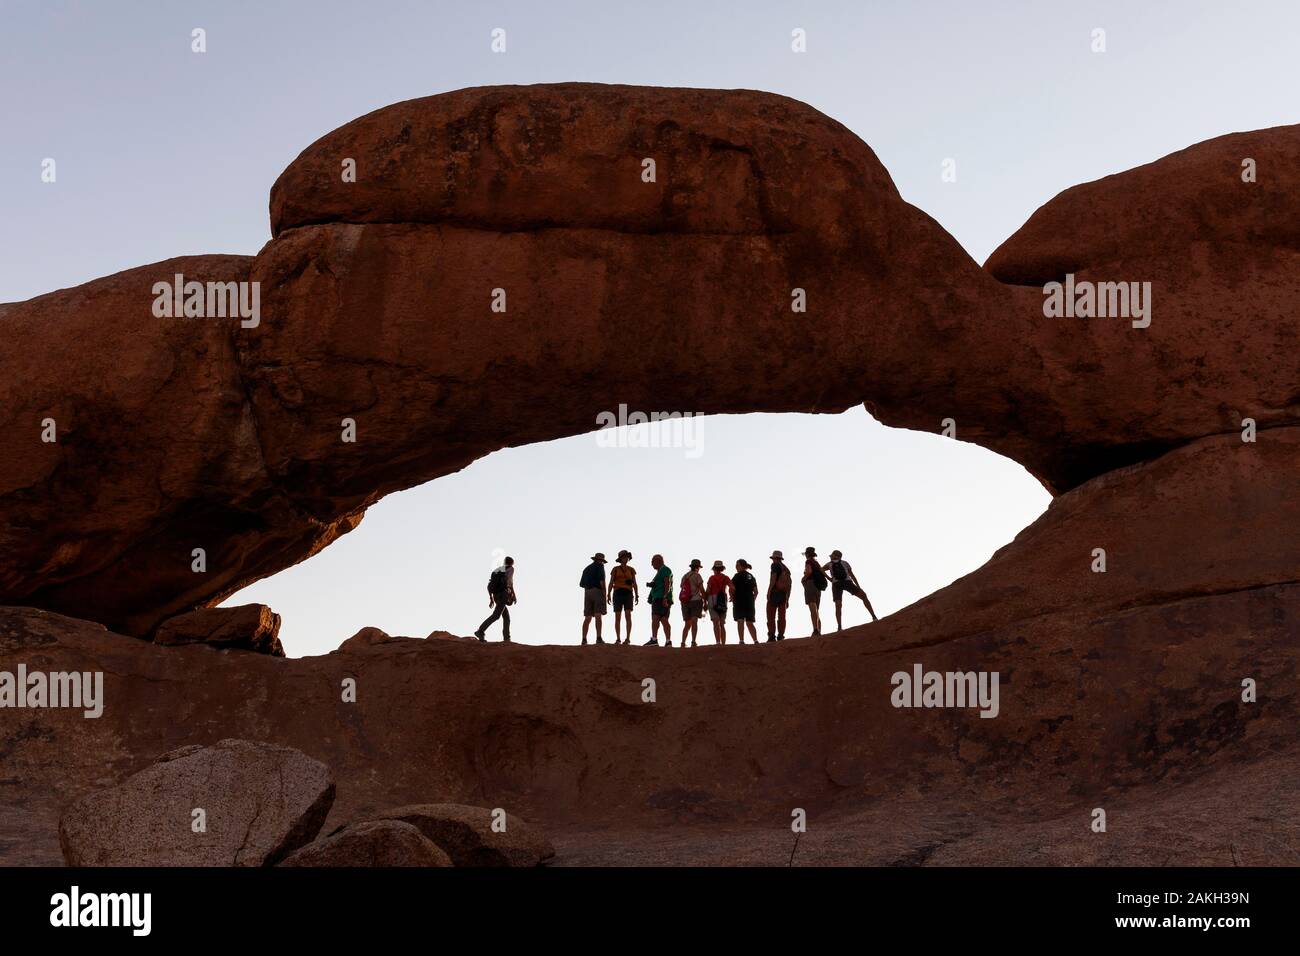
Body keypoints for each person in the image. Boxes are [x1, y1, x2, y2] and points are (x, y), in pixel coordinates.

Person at [823, 549, 879, 631]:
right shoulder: (845, 563)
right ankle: (874, 617)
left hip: (836, 584)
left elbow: (821, 569)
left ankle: (839, 627)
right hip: (847, 582)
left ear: (835, 556)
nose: (831, 557)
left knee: (838, 605)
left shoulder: (829, 564)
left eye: (832, 555)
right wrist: (858, 586)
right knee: (863, 596)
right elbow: (852, 575)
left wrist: (829, 578)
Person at [474, 556, 516, 642]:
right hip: (503, 595)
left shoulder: (497, 570)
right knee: (496, 615)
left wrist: (491, 598)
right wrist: (513, 594)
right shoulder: (510, 569)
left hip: (496, 595)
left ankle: (506, 638)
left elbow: (490, 585)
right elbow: (509, 582)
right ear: (512, 563)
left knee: (506, 617)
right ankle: (480, 631)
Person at [607, 550, 639, 645]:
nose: (626, 558)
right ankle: (618, 638)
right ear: (620, 559)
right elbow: (611, 582)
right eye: (624, 557)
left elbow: (635, 583)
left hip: (628, 593)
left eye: (627, 557)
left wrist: (637, 594)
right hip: (617, 593)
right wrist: (608, 594)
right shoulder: (615, 569)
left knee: (628, 615)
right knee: (618, 616)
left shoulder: (631, 570)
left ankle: (628, 638)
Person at [643, 554, 674, 646]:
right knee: (664, 618)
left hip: (661, 598)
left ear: (658, 561)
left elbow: (667, 583)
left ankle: (654, 639)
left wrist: (664, 597)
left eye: (653, 561)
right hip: (660, 597)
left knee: (656, 617)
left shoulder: (664, 569)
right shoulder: (660, 571)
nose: (652, 564)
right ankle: (668, 641)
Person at [579, 552, 608, 645]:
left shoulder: (586, 568)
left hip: (587, 592)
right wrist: (605, 593)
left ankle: (584, 639)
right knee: (598, 615)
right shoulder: (600, 567)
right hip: (597, 591)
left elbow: (581, 584)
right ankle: (598, 638)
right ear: (600, 560)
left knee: (587, 617)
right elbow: (602, 581)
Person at [731, 559, 760, 645]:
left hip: (739, 601)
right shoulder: (750, 576)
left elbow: (731, 588)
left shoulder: (736, 576)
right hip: (749, 601)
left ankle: (741, 640)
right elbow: (756, 591)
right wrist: (752, 599)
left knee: (740, 620)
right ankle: (755, 640)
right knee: (749, 622)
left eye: (737, 565)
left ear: (742, 566)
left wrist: (732, 597)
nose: (736, 567)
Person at [801, 546, 828, 636]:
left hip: (810, 584)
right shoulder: (816, 562)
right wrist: (830, 579)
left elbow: (809, 572)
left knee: (812, 608)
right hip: (818, 586)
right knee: (816, 609)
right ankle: (818, 630)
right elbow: (822, 572)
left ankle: (815, 630)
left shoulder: (808, 561)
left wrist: (803, 579)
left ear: (807, 554)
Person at [680, 559, 706, 647]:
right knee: (694, 621)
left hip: (685, 601)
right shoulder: (697, 576)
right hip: (696, 600)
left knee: (687, 623)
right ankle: (693, 641)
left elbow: (682, 588)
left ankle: (683, 642)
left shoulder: (685, 576)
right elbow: (702, 589)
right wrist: (705, 600)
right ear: (698, 567)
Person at [766, 550, 791, 641]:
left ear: (774, 558)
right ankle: (781, 635)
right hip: (783, 594)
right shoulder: (786, 569)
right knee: (782, 616)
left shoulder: (775, 565)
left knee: (771, 615)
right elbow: (789, 584)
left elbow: (773, 579)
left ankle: (771, 636)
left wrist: (769, 591)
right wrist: (788, 598)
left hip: (775, 592)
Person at [705, 560, 731, 644]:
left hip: (713, 599)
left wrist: (704, 601)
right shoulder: (726, 577)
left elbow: (708, 590)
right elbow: (732, 587)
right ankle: (723, 643)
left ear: (714, 569)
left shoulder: (712, 578)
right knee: (722, 623)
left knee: (716, 622)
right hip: (723, 600)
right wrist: (732, 596)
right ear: (722, 569)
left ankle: (718, 642)